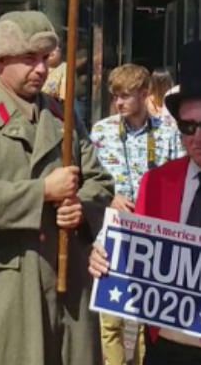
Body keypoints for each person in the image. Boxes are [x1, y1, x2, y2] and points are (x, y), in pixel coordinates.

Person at [0, 11, 114, 365]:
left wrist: (79, 206)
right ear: (1, 62)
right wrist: (42, 193)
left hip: (66, 286)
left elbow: (99, 181)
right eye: (29, 59)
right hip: (2, 289)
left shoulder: (62, 116)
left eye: (45, 59)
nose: (41, 69)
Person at [89, 42, 201, 363]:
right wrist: (94, 250)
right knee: (113, 328)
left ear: (143, 95)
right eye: (188, 126)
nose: (196, 137)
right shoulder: (159, 181)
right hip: (167, 345)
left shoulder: (163, 136)